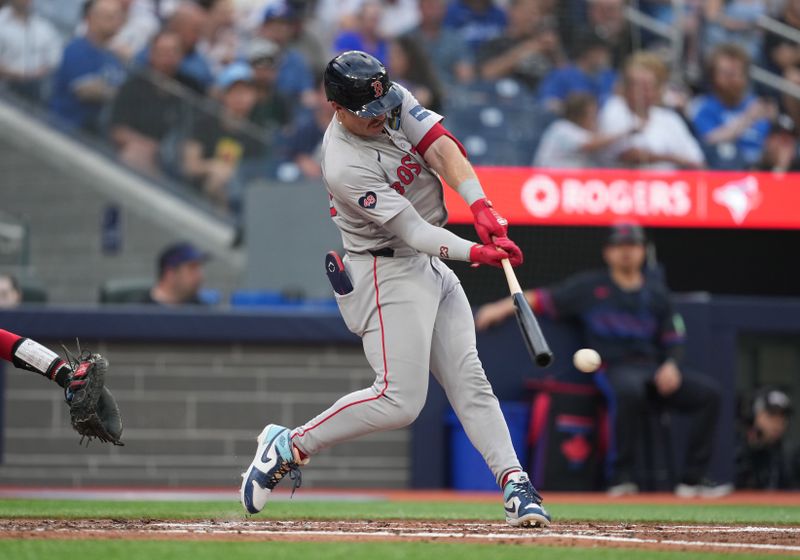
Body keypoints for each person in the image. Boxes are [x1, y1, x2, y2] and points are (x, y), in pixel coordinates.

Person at [240, 50, 551, 528]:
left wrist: (482, 206)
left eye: (384, 106)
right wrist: (477, 252)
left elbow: (443, 148)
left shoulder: (387, 97)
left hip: (427, 263)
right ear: (336, 109)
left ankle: (515, 485)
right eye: (368, 114)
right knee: (399, 401)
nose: (381, 117)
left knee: (470, 380)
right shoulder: (344, 164)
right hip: (386, 273)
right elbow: (413, 231)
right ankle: (290, 445)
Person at [476, 223, 731, 498]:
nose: (626, 252)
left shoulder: (657, 293)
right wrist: (499, 308)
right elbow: (543, 299)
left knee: (709, 395)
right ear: (608, 252)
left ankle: (692, 480)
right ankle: (621, 478)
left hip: (654, 370)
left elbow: (674, 337)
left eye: (632, 246)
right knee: (628, 391)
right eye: (619, 246)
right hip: (613, 368)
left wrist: (671, 366)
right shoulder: (591, 287)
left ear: (643, 251)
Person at [597, 52, 706, 170]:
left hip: (669, 185)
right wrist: (672, 158)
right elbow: (627, 155)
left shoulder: (670, 119)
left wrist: (674, 159)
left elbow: (696, 161)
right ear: (625, 86)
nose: (642, 92)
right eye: (636, 85)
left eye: (648, 86)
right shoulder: (615, 108)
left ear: (659, 89)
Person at [182, 62, 264, 210]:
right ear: (224, 95)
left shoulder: (256, 135)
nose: (240, 98)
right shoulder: (204, 123)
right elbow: (190, 165)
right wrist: (212, 166)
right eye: (235, 91)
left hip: (238, 198)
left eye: (246, 92)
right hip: (194, 196)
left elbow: (257, 179)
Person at [109, 30, 185, 177]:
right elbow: (117, 130)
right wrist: (147, 146)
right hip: (134, 151)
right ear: (152, 54)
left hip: (171, 161)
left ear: (181, 56)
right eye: (163, 52)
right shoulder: (134, 86)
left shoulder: (187, 91)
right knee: (134, 154)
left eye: (173, 52)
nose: (168, 58)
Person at [689, 43, 773, 169]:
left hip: (761, 171)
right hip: (720, 171)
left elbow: (768, 144)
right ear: (712, 77)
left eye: (736, 73)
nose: (731, 80)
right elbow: (708, 140)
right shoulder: (702, 107)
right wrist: (747, 118)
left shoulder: (761, 106)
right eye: (726, 74)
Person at [48, 0, 126, 133]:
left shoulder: (115, 58)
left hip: (95, 132)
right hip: (64, 127)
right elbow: (86, 91)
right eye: (110, 17)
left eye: (119, 17)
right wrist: (117, 94)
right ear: (91, 18)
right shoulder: (76, 48)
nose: (116, 22)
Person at [533, 92, 639, 168]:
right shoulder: (562, 128)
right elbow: (589, 144)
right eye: (592, 114)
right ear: (578, 115)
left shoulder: (583, 133)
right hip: (548, 184)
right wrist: (626, 132)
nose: (595, 118)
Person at [476, 0, 564, 91]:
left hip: (545, 98)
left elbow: (566, 80)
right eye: (528, 12)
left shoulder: (544, 45)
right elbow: (486, 74)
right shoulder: (497, 42)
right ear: (513, 12)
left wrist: (556, 51)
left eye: (536, 13)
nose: (533, 19)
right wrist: (526, 49)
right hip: (511, 98)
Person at [537, 33, 616, 115]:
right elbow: (547, 103)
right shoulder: (562, 75)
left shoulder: (610, 75)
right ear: (588, 52)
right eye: (601, 51)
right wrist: (571, 108)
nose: (606, 56)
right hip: (573, 124)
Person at [0, 0, 62, 102]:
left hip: (33, 93)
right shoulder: (2, 22)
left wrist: (33, 75)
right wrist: (19, 75)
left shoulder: (44, 29)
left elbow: (54, 61)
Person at [402, 0, 474, 85]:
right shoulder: (407, 39)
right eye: (430, 6)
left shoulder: (456, 39)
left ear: (445, 10)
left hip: (450, 91)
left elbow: (466, 75)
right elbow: (398, 72)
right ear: (420, 8)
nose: (433, 12)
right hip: (415, 91)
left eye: (437, 7)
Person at [736, 387, 793, 489]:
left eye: (783, 415)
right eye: (771, 414)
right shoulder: (735, 446)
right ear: (754, 415)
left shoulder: (789, 454)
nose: (778, 422)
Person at [137, 242, 208, 305]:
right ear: (169, 273)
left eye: (199, 269)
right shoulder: (139, 312)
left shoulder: (203, 311)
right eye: (192, 268)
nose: (200, 275)